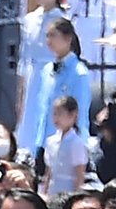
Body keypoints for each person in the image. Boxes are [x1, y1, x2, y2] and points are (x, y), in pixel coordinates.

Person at [19, 16, 92, 161]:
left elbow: (80, 112)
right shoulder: (47, 70)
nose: (49, 41)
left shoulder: (79, 73)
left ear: (67, 38)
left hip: (67, 144)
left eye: (53, 35)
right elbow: (42, 108)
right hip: (44, 141)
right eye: (47, 36)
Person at [43, 96, 89, 196]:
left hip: (68, 190)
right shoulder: (51, 141)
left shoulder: (76, 142)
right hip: (53, 189)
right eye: (54, 113)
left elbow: (80, 173)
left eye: (60, 114)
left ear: (73, 115)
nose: (56, 118)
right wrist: (45, 192)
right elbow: (49, 171)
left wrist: (77, 195)